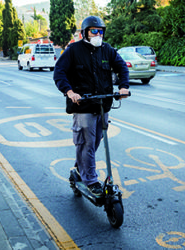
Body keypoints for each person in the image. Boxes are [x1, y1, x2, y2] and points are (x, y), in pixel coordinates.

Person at [53, 16, 130, 196]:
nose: (98, 34)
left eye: (100, 31)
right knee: (87, 143)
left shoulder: (107, 50)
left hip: (102, 104)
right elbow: (59, 72)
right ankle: (91, 180)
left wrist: (123, 86)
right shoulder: (73, 50)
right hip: (83, 106)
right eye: (93, 31)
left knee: (95, 141)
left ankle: (79, 169)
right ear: (85, 33)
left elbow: (122, 67)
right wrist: (70, 92)